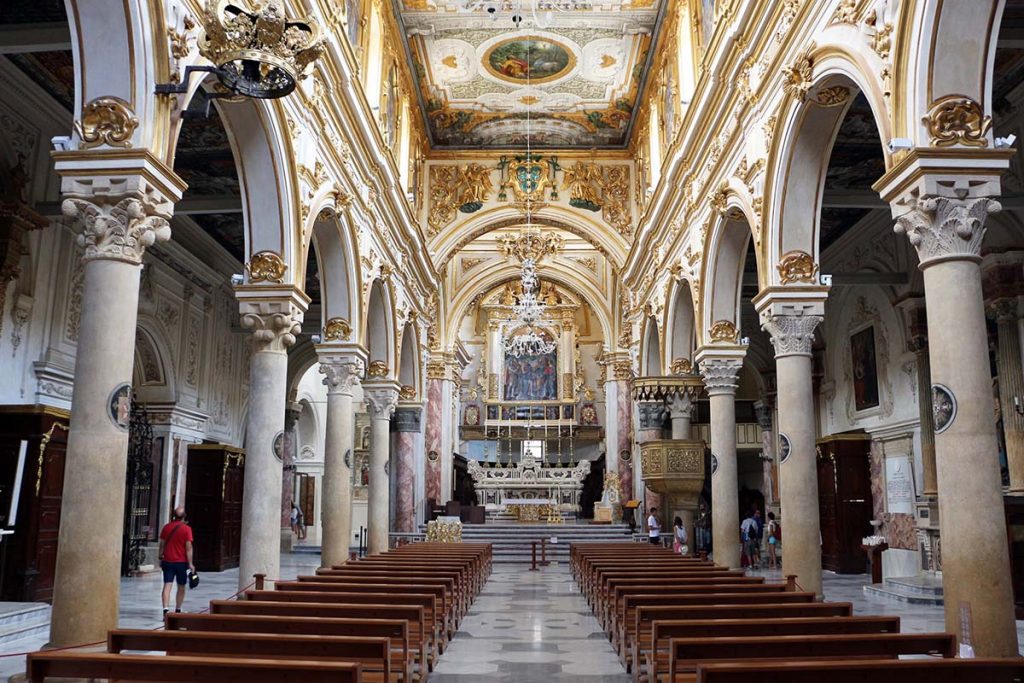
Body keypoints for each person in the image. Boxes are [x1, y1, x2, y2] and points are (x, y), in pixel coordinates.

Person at [158, 507, 194, 616]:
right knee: (181, 586)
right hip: (181, 563)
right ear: (184, 516)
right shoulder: (187, 529)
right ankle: (178, 609)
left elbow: (162, 544)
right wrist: (191, 563)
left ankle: (165, 610)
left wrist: (160, 556)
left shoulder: (166, 527)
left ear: (174, 515)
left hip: (167, 560)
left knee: (167, 585)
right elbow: (188, 548)